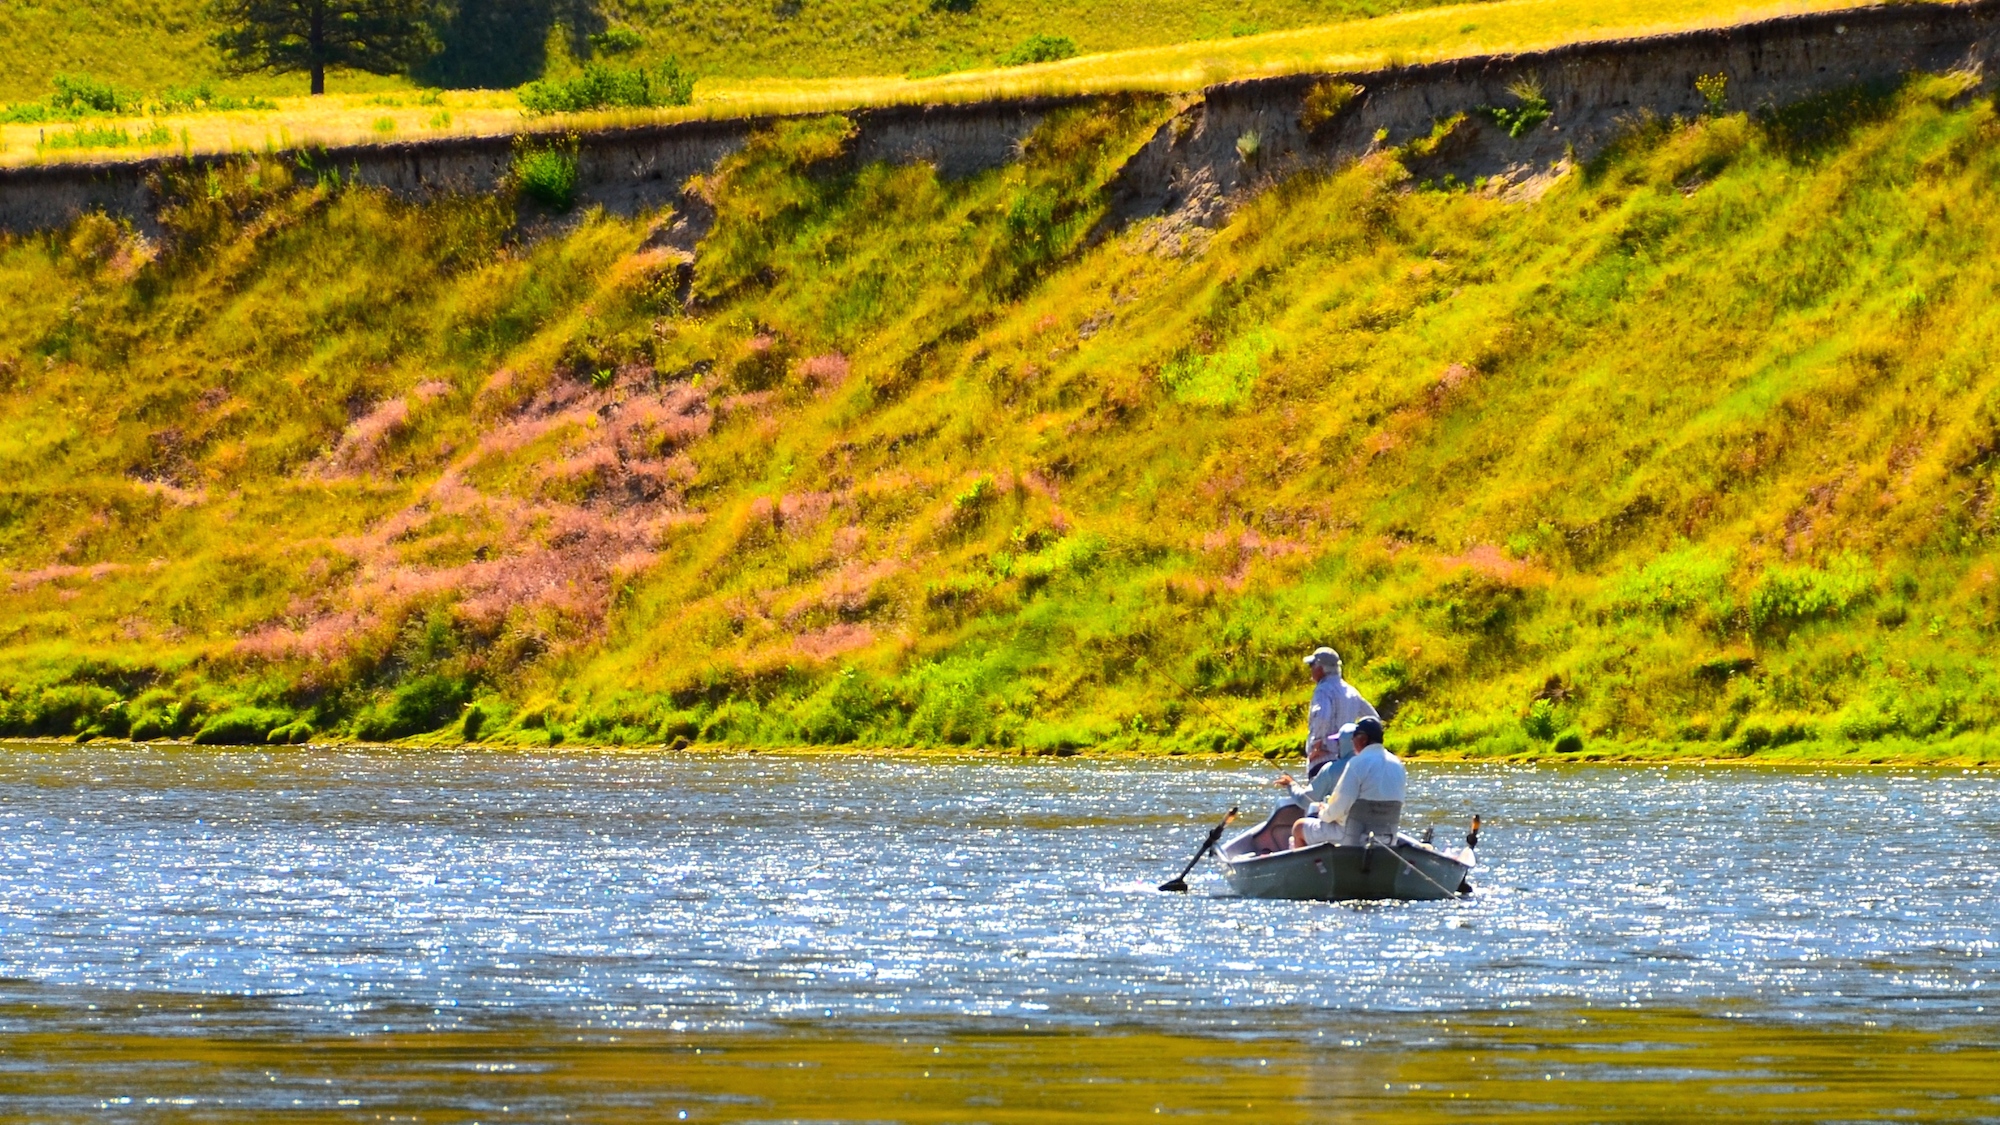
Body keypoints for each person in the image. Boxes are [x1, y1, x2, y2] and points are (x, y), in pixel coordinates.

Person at [1291, 717, 1405, 849]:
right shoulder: (1398, 765)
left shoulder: (1357, 764)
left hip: (1352, 837)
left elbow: (1339, 807)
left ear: (1362, 739)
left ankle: (1309, 869)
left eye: (1354, 738)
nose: (1352, 742)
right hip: (1387, 839)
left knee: (1299, 827)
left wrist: (1323, 813)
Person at [1300, 647, 1377, 760]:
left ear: (1320, 668)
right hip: (1349, 758)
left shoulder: (1323, 690)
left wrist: (1317, 746)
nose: (1310, 669)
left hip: (1325, 756)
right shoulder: (1352, 691)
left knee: (1318, 778)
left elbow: (1322, 717)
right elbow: (1373, 718)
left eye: (1312, 665)